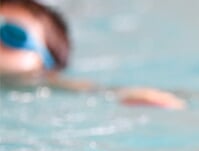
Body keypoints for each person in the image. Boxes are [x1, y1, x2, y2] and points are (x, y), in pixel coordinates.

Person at [0, 0, 184, 109]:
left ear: (47, 63)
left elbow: (97, 91)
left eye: (13, 35)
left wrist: (129, 94)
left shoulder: (47, 85)